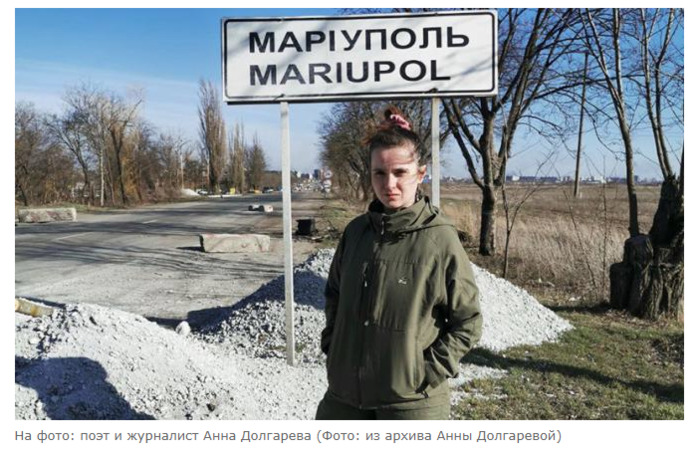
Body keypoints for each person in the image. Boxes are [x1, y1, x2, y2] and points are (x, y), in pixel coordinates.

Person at [315, 107, 482, 420]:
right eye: (379, 173)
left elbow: (467, 321)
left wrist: (423, 372)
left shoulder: (440, 239)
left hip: (410, 405)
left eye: (400, 173)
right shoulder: (356, 233)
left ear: (420, 174)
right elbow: (334, 294)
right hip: (343, 398)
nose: (389, 184)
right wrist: (333, 345)